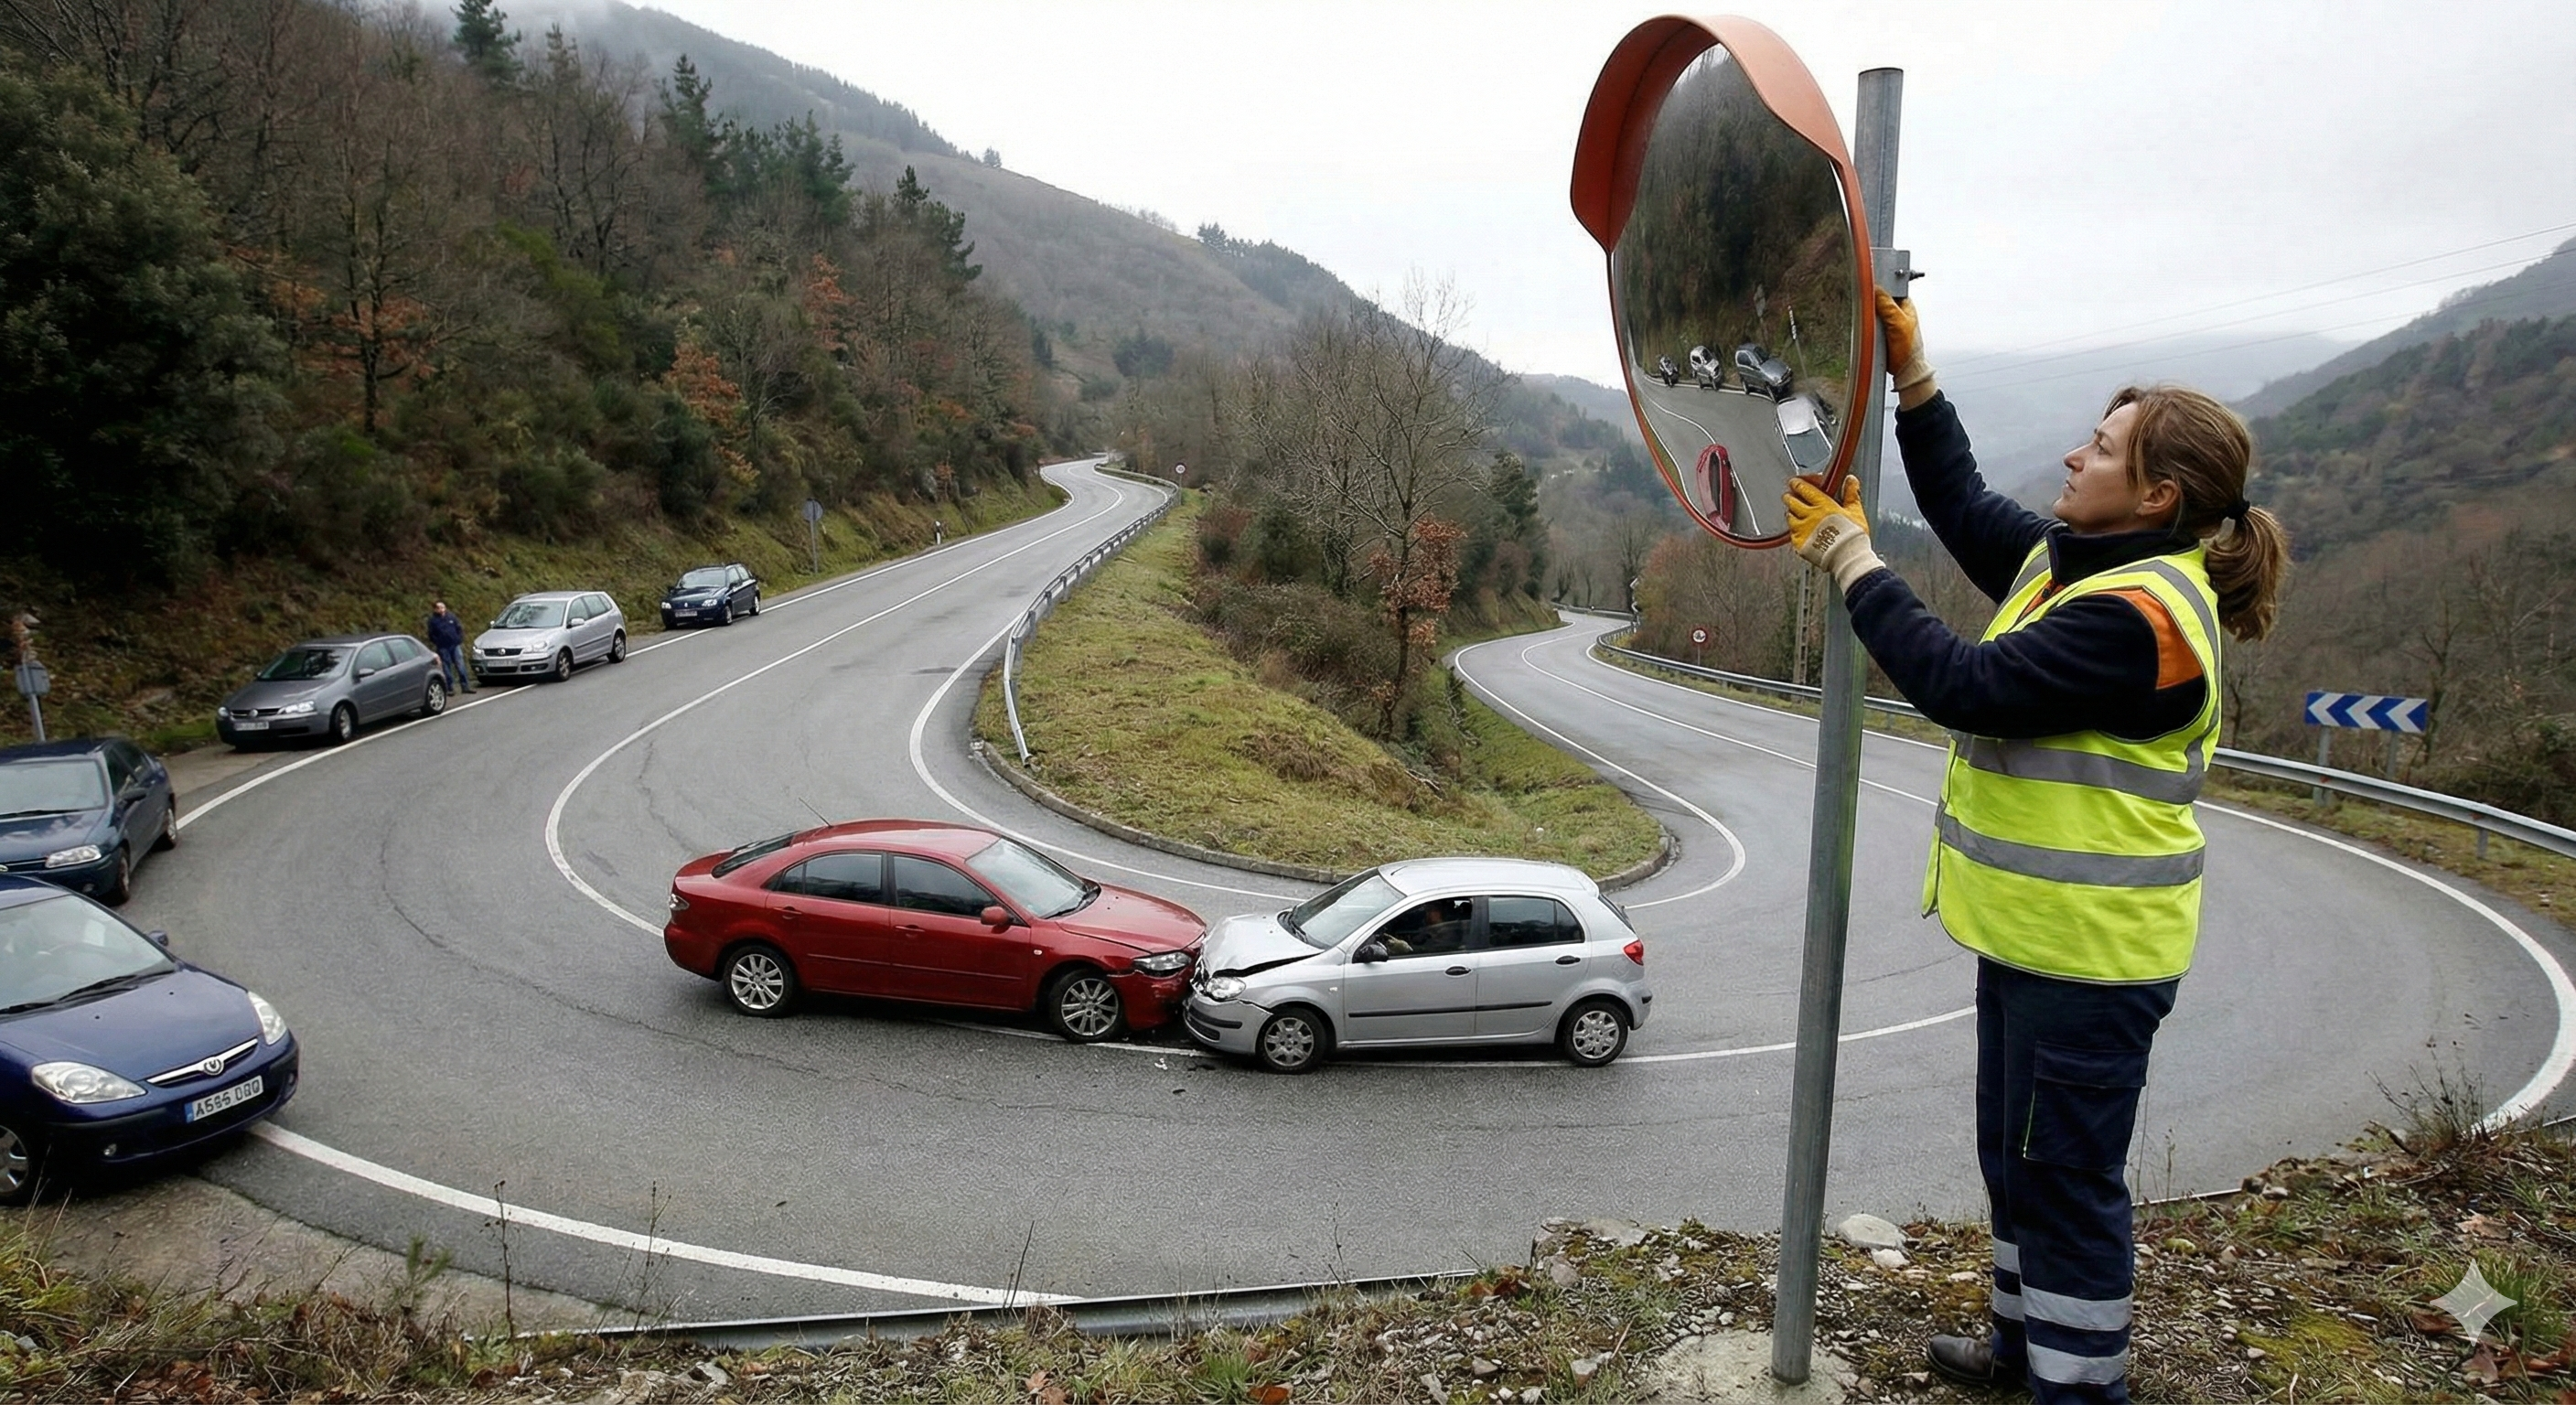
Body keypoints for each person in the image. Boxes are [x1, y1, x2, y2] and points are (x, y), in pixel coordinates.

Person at [1781, 290, 2291, 1404]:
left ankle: (2075, 1387)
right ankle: (2019, 1355)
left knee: (2064, 1188)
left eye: (2099, 449)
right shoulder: (2074, 566)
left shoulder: (2138, 620)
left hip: (2090, 961)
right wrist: (1915, 378)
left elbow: (1966, 685)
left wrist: (1854, 563)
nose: (2071, 454)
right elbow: (1962, 506)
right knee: (2015, 1170)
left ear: (2155, 494)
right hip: (2031, 945)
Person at [425, 600, 473, 694]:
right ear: (435, 609)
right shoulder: (433, 621)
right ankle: (450, 687)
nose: (441, 609)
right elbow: (431, 634)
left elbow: (458, 628)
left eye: (443, 607)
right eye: (439, 608)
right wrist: (437, 642)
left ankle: (465, 686)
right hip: (443, 646)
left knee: (460, 665)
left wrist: (459, 638)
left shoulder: (451, 617)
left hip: (455, 644)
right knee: (446, 666)